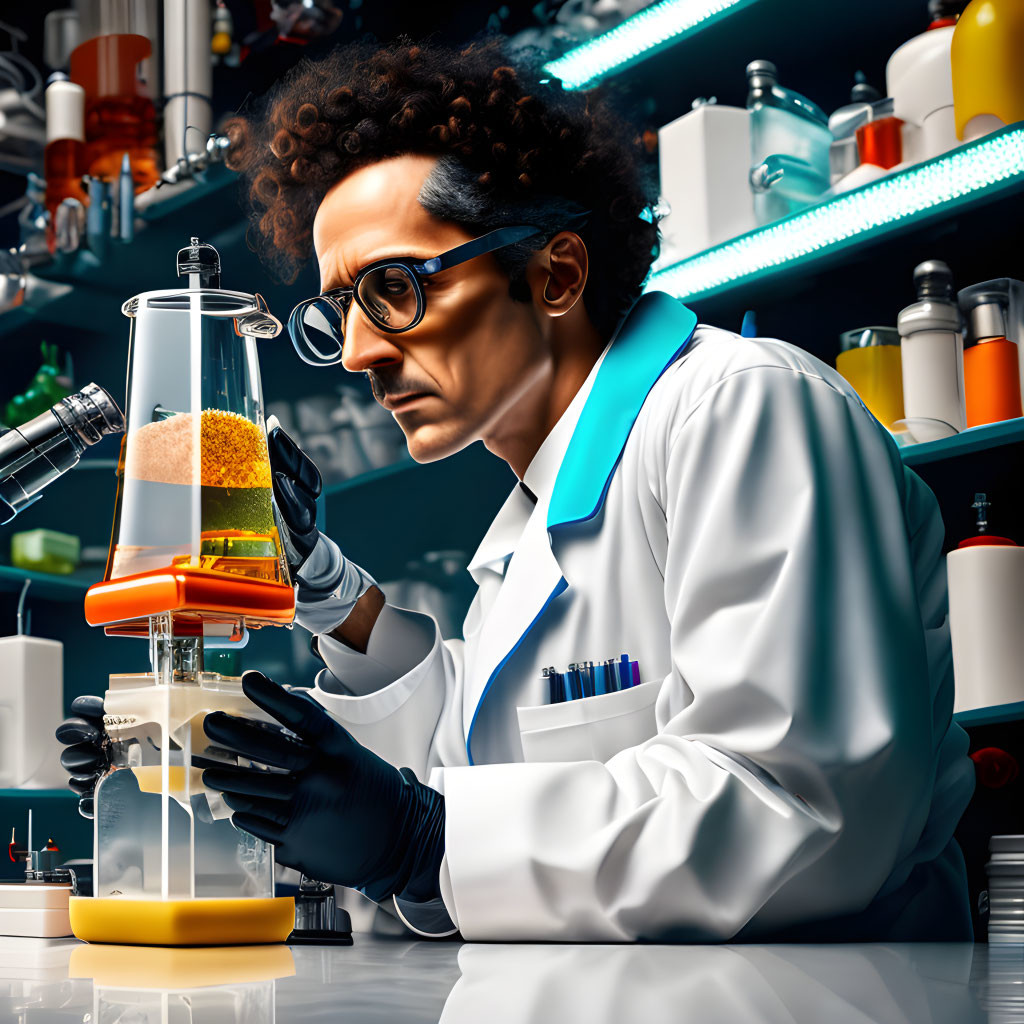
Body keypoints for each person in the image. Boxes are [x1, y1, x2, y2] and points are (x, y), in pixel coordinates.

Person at [60, 39, 974, 943]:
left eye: (391, 288)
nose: (356, 352)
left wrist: (425, 840)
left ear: (555, 275)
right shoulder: (533, 521)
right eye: (338, 308)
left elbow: (801, 806)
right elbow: (469, 768)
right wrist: (239, 716)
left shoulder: (744, 406)